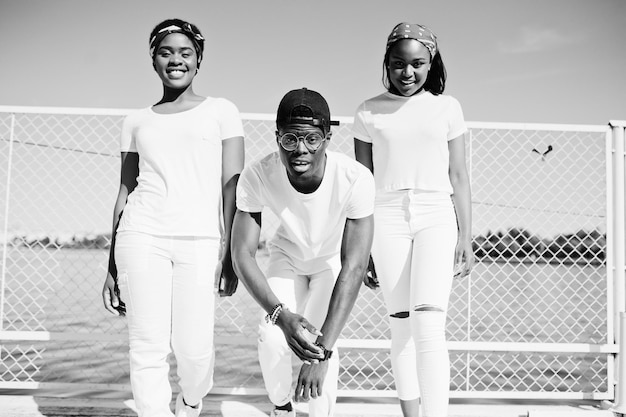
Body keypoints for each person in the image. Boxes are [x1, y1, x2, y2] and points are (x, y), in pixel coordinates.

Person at [101, 18, 245, 417]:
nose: (175, 60)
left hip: (200, 241)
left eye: (185, 53)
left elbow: (232, 186)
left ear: (199, 60)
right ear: (153, 60)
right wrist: (111, 264)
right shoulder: (135, 121)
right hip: (141, 234)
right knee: (146, 346)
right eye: (166, 52)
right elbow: (125, 191)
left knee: (194, 350)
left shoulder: (222, 111)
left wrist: (232, 252)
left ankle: (191, 400)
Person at [353, 23, 473, 417]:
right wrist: (362, 245)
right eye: (399, 64)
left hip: (437, 214)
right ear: (387, 63)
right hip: (385, 217)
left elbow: (458, 175)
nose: (408, 73)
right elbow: (364, 183)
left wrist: (466, 236)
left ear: (431, 62)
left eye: (418, 64)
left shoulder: (447, 107)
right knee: (401, 326)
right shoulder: (368, 110)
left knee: (428, 325)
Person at [231, 88, 375, 417]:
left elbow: (354, 265)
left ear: (327, 138)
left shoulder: (355, 178)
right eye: (290, 139)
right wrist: (281, 316)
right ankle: (282, 407)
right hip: (287, 256)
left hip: (329, 264)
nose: (301, 150)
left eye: (312, 139)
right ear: (278, 136)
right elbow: (241, 254)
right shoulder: (257, 174)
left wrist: (322, 351)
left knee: (321, 347)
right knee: (270, 334)